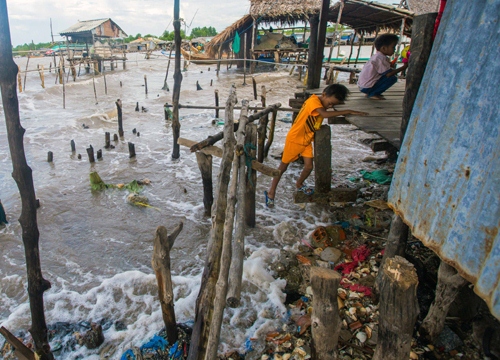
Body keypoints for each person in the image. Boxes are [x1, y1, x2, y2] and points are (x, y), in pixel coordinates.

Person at [264, 84, 368, 208]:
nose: (330, 107)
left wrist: (337, 108)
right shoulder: (313, 102)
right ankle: (271, 193)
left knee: (308, 167)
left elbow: (324, 112)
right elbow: (324, 114)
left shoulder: (320, 102)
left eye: (333, 105)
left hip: (307, 139)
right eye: (330, 103)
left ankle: (299, 184)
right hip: (295, 139)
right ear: (323, 94)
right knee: (283, 167)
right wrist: (348, 111)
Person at [357, 34, 408, 100]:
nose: (394, 50)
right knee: (392, 78)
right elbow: (388, 74)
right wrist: (404, 67)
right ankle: (373, 93)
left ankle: (371, 92)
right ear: (384, 48)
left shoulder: (377, 56)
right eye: (393, 47)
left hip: (362, 86)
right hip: (367, 87)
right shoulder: (381, 59)